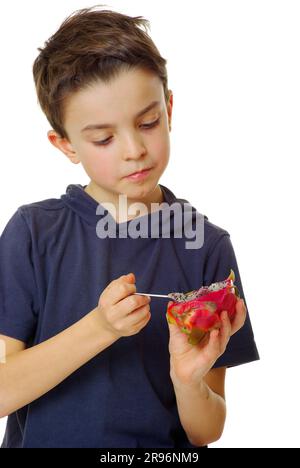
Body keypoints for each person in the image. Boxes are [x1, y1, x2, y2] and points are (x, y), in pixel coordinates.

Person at [0, 5, 259, 448]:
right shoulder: (32, 233)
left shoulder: (209, 247)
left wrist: (188, 380)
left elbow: (207, 430)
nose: (134, 150)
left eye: (148, 122)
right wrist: (101, 328)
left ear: (170, 108)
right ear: (65, 145)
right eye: (104, 138)